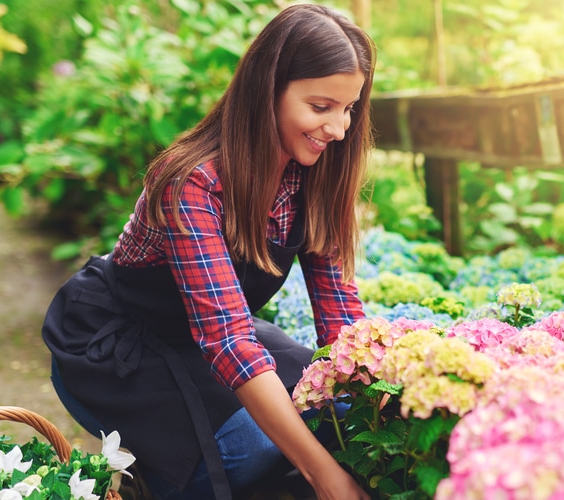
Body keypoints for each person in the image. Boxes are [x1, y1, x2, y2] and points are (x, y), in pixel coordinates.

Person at [42, 4, 375, 499]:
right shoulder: (191, 181)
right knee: (249, 453)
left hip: (212, 332)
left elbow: (339, 315)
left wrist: (383, 395)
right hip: (121, 345)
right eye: (321, 107)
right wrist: (324, 477)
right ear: (269, 91)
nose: (339, 129)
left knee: (337, 410)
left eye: (348, 109)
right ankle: (150, 482)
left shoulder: (315, 174)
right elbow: (227, 341)